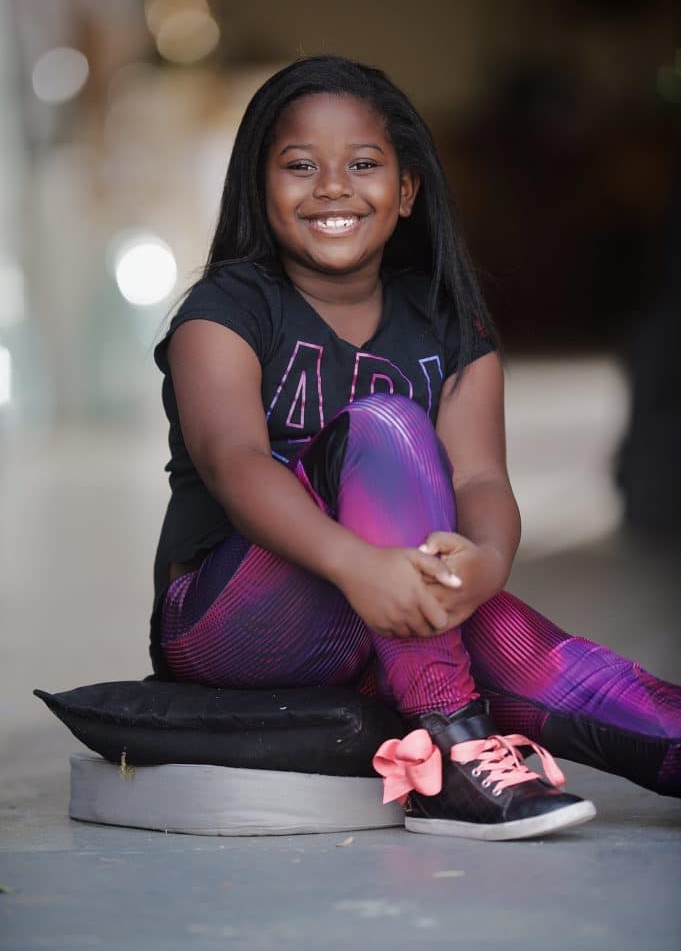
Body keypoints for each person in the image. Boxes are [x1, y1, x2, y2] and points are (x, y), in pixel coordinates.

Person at [151, 55, 680, 841]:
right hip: (234, 621)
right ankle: (449, 745)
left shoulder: (447, 324)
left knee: (555, 665)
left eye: (363, 164)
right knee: (388, 425)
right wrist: (356, 564)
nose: (332, 186)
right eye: (300, 166)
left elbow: (479, 476)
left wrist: (486, 563)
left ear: (404, 192)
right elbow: (236, 463)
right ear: (261, 190)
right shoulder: (223, 312)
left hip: (391, 609)